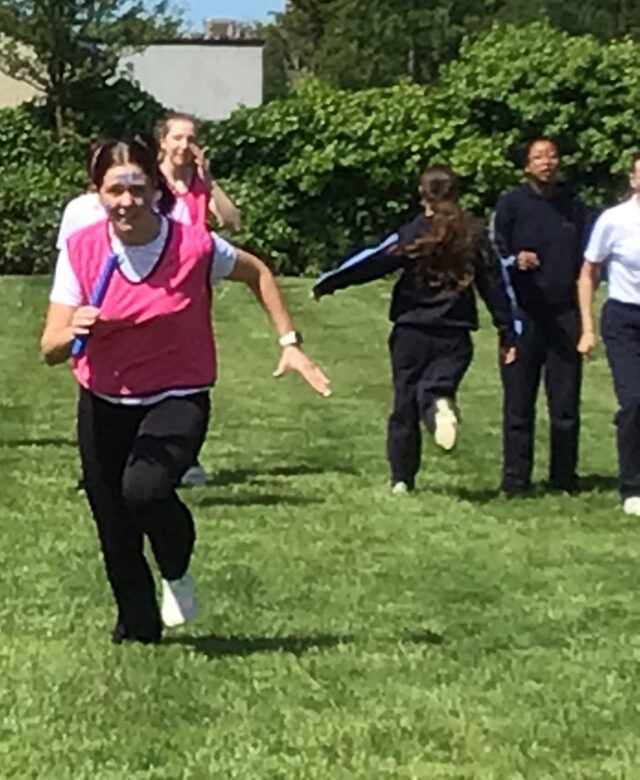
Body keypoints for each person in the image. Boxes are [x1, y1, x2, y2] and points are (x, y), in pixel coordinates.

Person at [40, 138, 330, 645]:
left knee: (144, 490)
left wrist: (289, 342)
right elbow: (50, 348)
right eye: (114, 190)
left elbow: (257, 272)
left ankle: (175, 569)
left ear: (155, 189)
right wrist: (75, 328)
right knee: (113, 523)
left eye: (136, 188)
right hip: (104, 399)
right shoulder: (83, 249)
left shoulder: (193, 246)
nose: (126, 201)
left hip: (177, 394)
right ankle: (138, 630)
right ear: (97, 193)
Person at [314, 165, 519, 493]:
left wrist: (331, 281)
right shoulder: (474, 233)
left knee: (404, 404)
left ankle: (401, 479)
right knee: (438, 386)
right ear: (456, 193)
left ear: (422, 194)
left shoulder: (414, 232)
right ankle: (440, 403)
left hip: (410, 330)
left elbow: (375, 260)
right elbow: (495, 283)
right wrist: (507, 329)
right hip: (455, 332)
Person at [492, 136, 592, 496]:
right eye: (538, 157)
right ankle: (515, 480)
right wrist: (515, 260)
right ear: (526, 166)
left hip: (565, 314)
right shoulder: (511, 204)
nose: (547, 162)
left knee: (565, 403)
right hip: (524, 314)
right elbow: (495, 253)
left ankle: (564, 477)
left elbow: (590, 259)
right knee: (519, 402)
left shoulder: (574, 207)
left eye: (552, 155)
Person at [576, 154, 640, 515]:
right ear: (633, 180)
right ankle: (633, 487)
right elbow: (588, 273)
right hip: (624, 318)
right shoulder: (614, 221)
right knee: (634, 401)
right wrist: (587, 328)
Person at [154, 112, 241, 233]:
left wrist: (209, 181)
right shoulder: (151, 180)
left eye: (190, 140)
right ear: (163, 142)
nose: (184, 145)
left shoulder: (199, 182)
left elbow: (234, 224)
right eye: (177, 138)